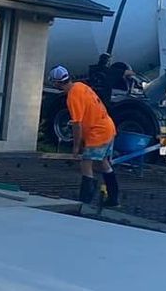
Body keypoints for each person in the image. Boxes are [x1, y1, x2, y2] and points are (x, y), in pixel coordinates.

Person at [51, 64, 119, 213]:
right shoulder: (80, 86)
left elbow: (77, 124)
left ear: (56, 83)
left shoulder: (72, 97)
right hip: (108, 127)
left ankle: (85, 200)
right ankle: (113, 198)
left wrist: (76, 147)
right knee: (102, 162)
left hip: (98, 132)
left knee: (86, 163)